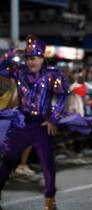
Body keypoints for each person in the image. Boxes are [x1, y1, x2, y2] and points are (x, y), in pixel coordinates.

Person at [0, 35, 69, 210]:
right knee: (8, 160)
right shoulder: (19, 71)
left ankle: (50, 202)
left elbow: (63, 96)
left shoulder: (53, 74)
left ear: (42, 58)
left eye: (34, 58)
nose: (30, 62)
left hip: (41, 126)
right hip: (22, 124)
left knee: (47, 164)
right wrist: (10, 54)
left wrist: (54, 118)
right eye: (28, 58)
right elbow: (1, 69)